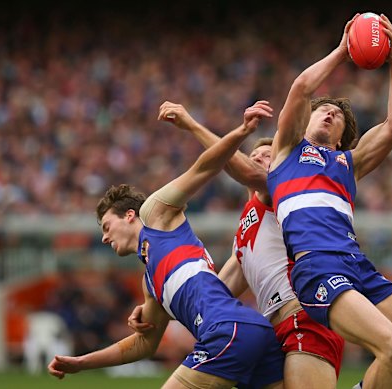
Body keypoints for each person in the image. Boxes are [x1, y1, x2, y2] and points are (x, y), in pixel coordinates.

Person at [266, 13, 392, 389]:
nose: (330, 112)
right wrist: (342, 50)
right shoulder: (285, 152)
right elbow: (302, 89)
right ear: (305, 122)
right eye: (324, 109)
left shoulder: (347, 164)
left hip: (356, 265)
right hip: (316, 266)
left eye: (337, 116)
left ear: (340, 140)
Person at [47, 101, 284, 389]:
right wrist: (83, 362)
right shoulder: (151, 282)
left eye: (107, 226)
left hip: (228, 330)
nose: (104, 238)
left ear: (129, 215)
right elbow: (144, 345)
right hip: (251, 330)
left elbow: (204, 167)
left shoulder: (155, 213)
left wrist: (240, 131)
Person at [129, 100, 344, 389]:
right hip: (277, 326)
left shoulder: (283, 189)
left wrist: (192, 124)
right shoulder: (246, 229)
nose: (257, 158)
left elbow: (238, 167)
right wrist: (155, 307)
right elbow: (214, 290)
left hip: (305, 314)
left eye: (267, 155)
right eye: (253, 154)